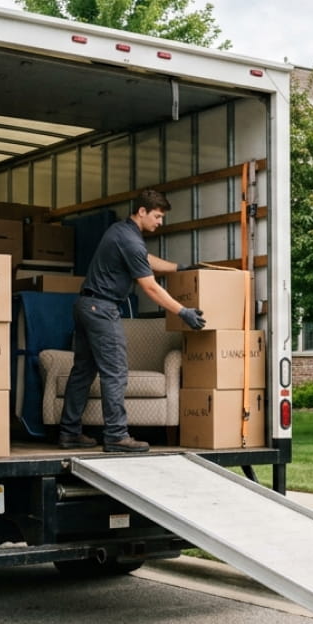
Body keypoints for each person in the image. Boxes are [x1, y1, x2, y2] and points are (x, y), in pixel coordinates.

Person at [59, 189, 206, 453]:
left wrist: (178, 268)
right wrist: (182, 311)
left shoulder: (121, 232)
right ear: (142, 212)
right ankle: (116, 435)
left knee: (82, 372)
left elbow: (145, 260)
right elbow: (149, 287)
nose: (160, 222)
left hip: (85, 305)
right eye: (158, 216)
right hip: (102, 308)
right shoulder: (130, 240)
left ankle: (69, 433)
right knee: (115, 372)